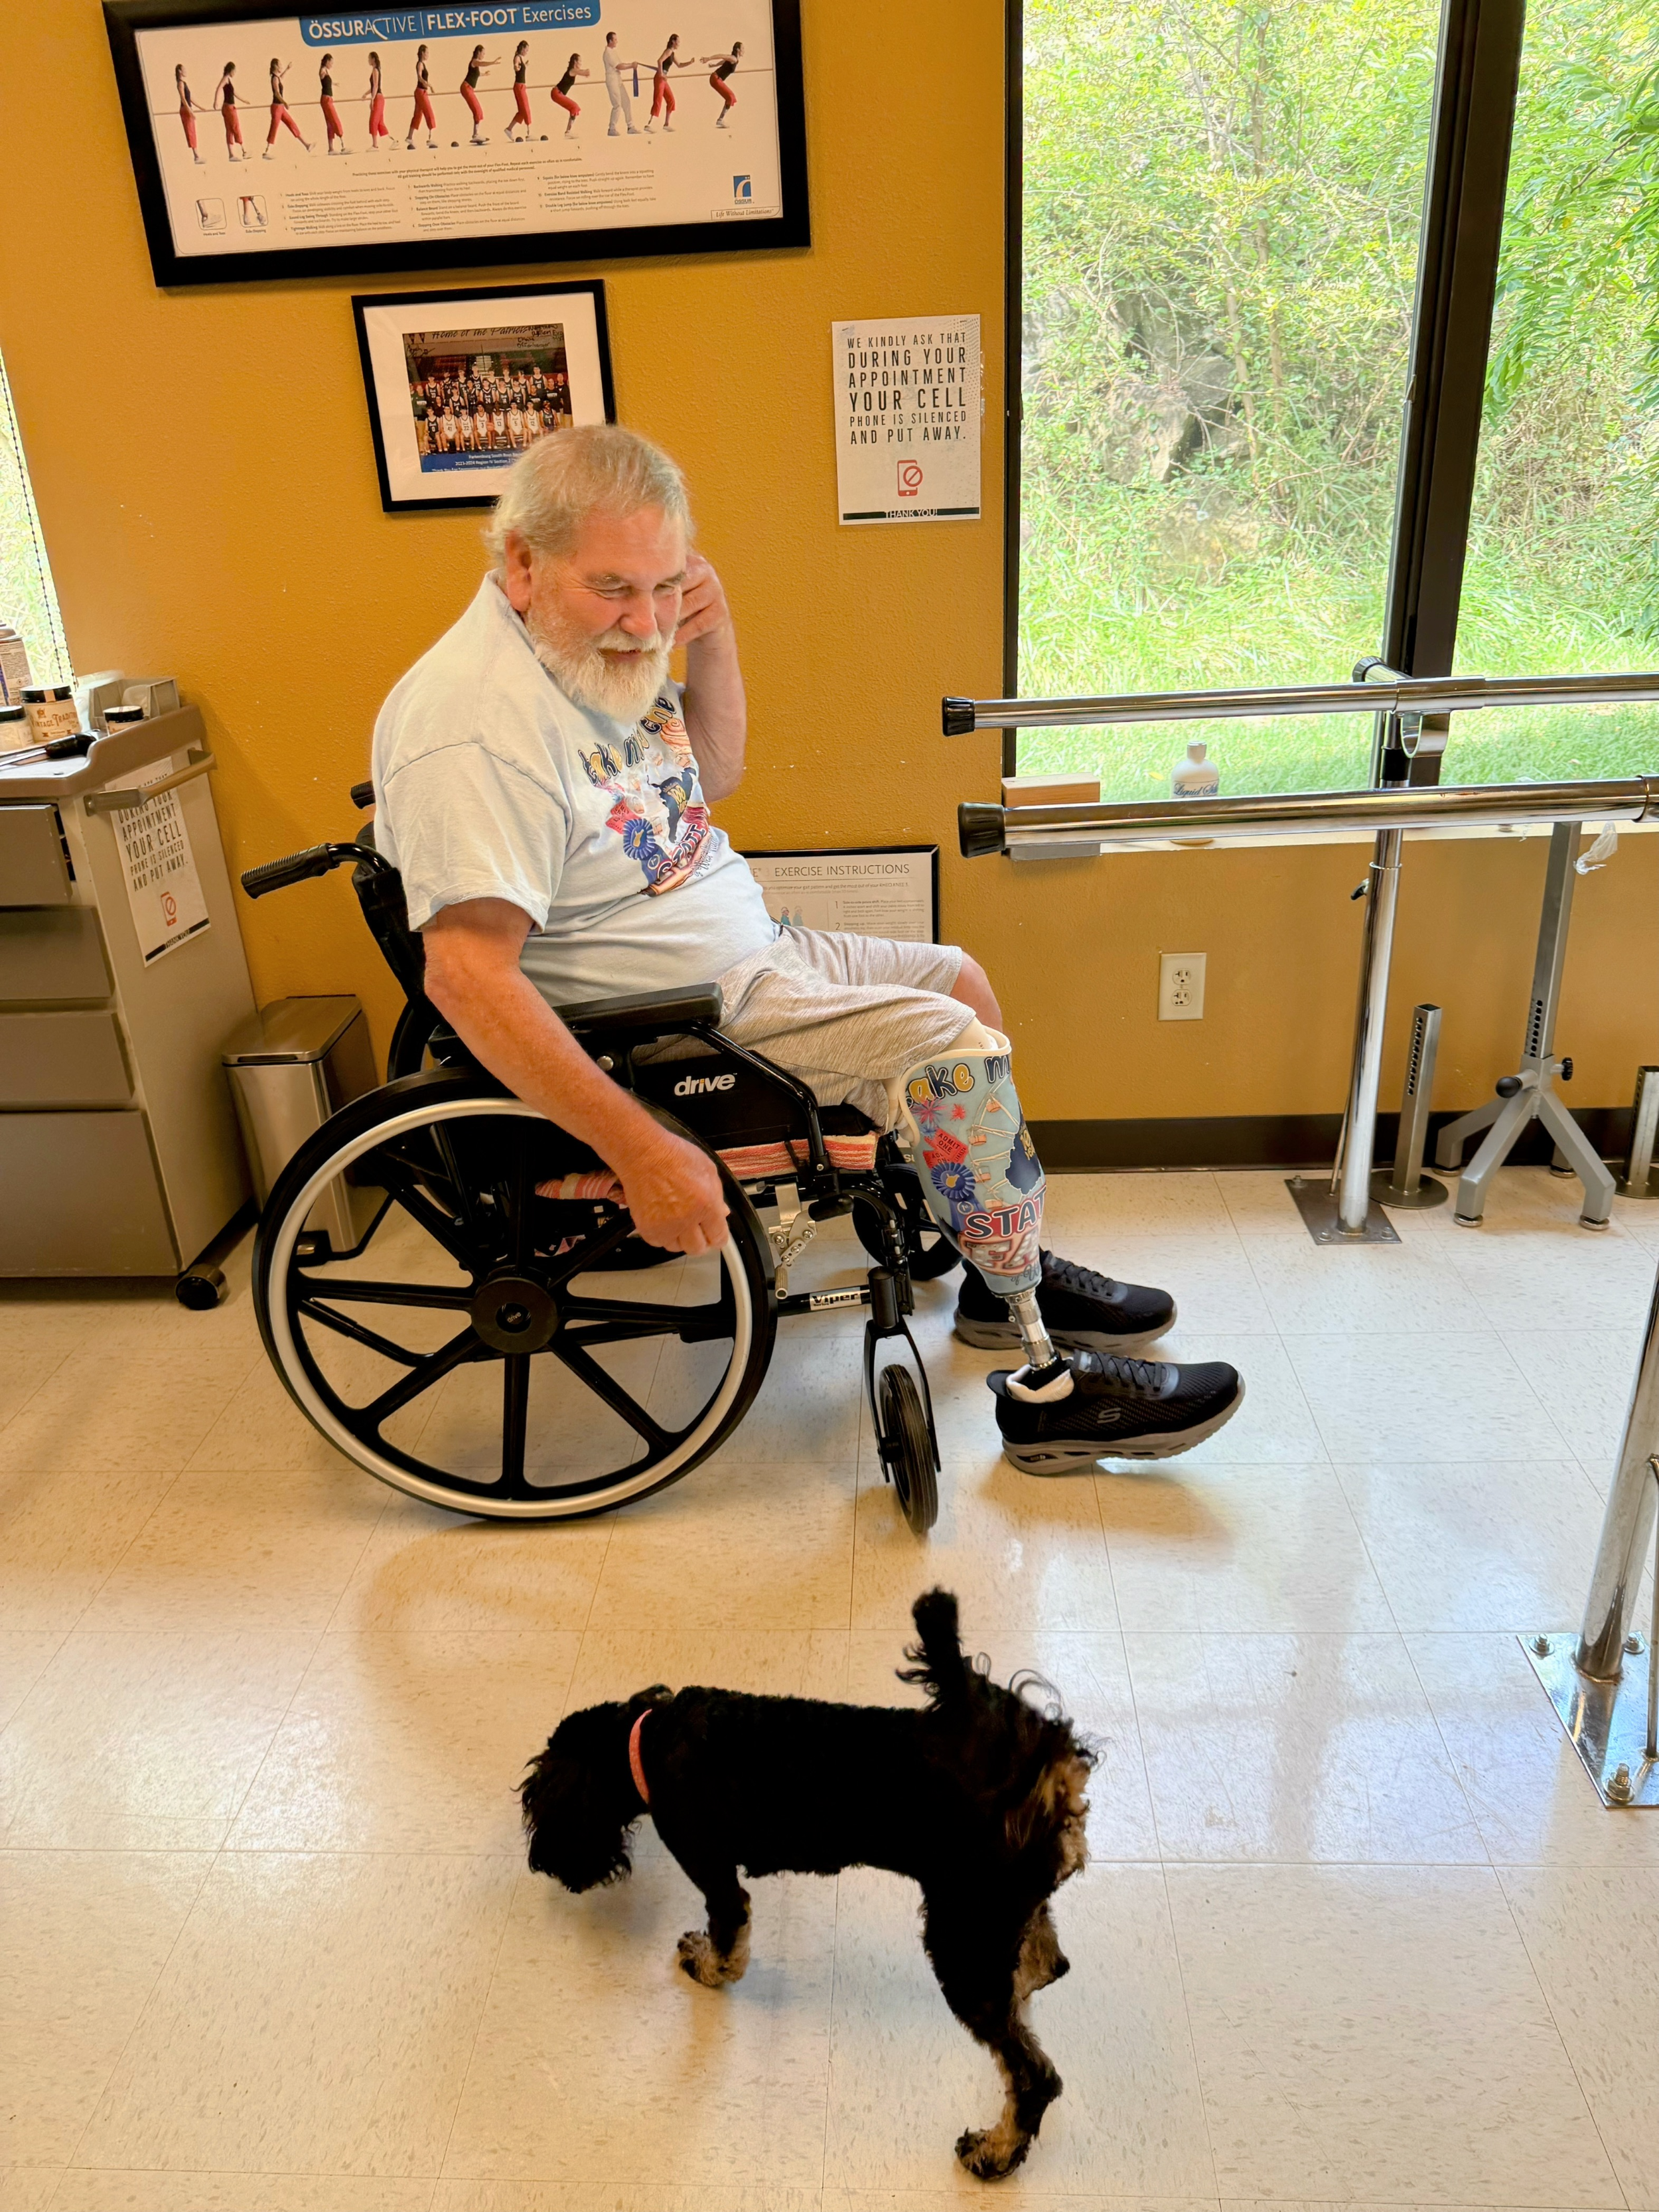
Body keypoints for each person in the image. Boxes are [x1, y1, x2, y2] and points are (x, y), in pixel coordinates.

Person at [370, 426, 1246, 1471]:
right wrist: (644, 1150)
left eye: (665, 585)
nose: (644, 620)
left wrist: (715, 635)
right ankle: (1048, 1380)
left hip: (751, 953)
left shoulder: (583, 651)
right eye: (614, 589)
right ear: (520, 562)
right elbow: (467, 978)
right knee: (950, 1049)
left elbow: (719, 772)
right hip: (686, 1022)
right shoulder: (477, 727)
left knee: (960, 974)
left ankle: (991, 1274)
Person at [263, 57, 312, 157]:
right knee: (274, 128)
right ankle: (267, 151)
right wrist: (285, 102)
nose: (281, 67)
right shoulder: (274, 78)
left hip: (280, 108)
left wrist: (288, 69)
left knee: (291, 124)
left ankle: (307, 145)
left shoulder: (277, 78)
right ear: (276, 66)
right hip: (277, 107)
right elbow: (277, 94)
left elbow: (282, 78)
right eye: (280, 65)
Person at [602, 31, 640, 135]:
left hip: (618, 79)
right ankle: (612, 128)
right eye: (615, 40)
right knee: (617, 104)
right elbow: (619, 66)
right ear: (610, 41)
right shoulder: (608, 53)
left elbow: (620, 65)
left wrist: (631, 65)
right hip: (612, 80)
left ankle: (630, 126)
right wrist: (632, 65)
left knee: (626, 102)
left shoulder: (613, 51)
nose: (617, 41)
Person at [645, 35, 684, 131]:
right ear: (674, 42)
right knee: (658, 100)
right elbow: (659, 61)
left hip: (663, 79)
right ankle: (649, 124)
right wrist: (662, 74)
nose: (679, 44)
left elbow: (679, 65)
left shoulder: (672, 54)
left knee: (671, 100)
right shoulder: (668, 51)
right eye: (678, 42)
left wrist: (690, 63)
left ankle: (666, 124)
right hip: (660, 78)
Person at [460, 44, 496, 143]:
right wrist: (492, 63)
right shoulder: (475, 61)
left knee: (478, 111)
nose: (484, 55)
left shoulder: (475, 65)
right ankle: (475, 135)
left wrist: (485, 74)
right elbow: (482, 63)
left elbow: (476, 74)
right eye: (483, 53)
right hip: (466, 88)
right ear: (479, 52)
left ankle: (476, 134)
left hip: (469, 89)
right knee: (477, 110)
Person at [701, 42, 740, 127]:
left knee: (731, 98)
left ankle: (721, 120)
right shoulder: (733, 58)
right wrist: (709, 58)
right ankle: (720, 120)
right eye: (743, 48)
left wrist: (714, 65)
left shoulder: (733, 59)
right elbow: (722, 56)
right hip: (716, 78)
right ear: (738, 50)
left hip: (716, 79)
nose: (744, 50)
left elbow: (724, 61)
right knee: (731, 96)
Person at [214, 62, 248, 161]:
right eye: (234, 71)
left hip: (227, 107)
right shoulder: (225, 79)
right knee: (235, 127)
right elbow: (219, 88)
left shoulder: (228, 80)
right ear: (231, 70)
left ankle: (231, 154)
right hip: (229, 108)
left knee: (229, 131)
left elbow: (234, 93)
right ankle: (244, 151)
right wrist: (216, 101)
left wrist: (244, 100)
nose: (235, 73)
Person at [175, 64, 207, 163]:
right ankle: (196, 156)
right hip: (185, 110)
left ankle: (196, 155)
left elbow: (190, 98)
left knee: (192, 131)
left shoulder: (184, 83)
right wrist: (190, 111)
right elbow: (183, 98)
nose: (185, 71)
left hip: (188, 109)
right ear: (180, 71)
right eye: (184, 69)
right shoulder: (180, 83)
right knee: (190, 132)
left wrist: (200, 107)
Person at [407, 44, 437, 149]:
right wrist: (430, 85)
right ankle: (431, 138)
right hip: (421, 92)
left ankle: (410, 137)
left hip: (421, 92)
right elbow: (419, 77)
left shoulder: (422, 64)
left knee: (418, 115)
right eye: (427, 53)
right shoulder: (420, 64)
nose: (428, 55)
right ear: (423, 53)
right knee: (429, 113)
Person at [319, 52, 346, 152]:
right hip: (326, 100)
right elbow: (323, 79)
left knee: (330, 124)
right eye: (331, 63)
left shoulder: (325, 71)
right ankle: (343, 145)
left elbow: (327, 82)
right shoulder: (323, 71)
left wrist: (333, 83)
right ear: (327, 61)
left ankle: (331, 148)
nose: (332, 65)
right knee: (335, 120)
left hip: (327, 99)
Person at [365, 51, 390, 148]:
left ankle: (375, 145)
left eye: (369, 58)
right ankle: (391, 140)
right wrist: (366, 94)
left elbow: (376, 86)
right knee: (379, 122)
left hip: (378, 98)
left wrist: (372, 99)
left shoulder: (375, 70)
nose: (368, 60)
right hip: (378, 97)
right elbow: (374, 87)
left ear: (373, 59)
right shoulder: (375, 70)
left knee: (374, 121)